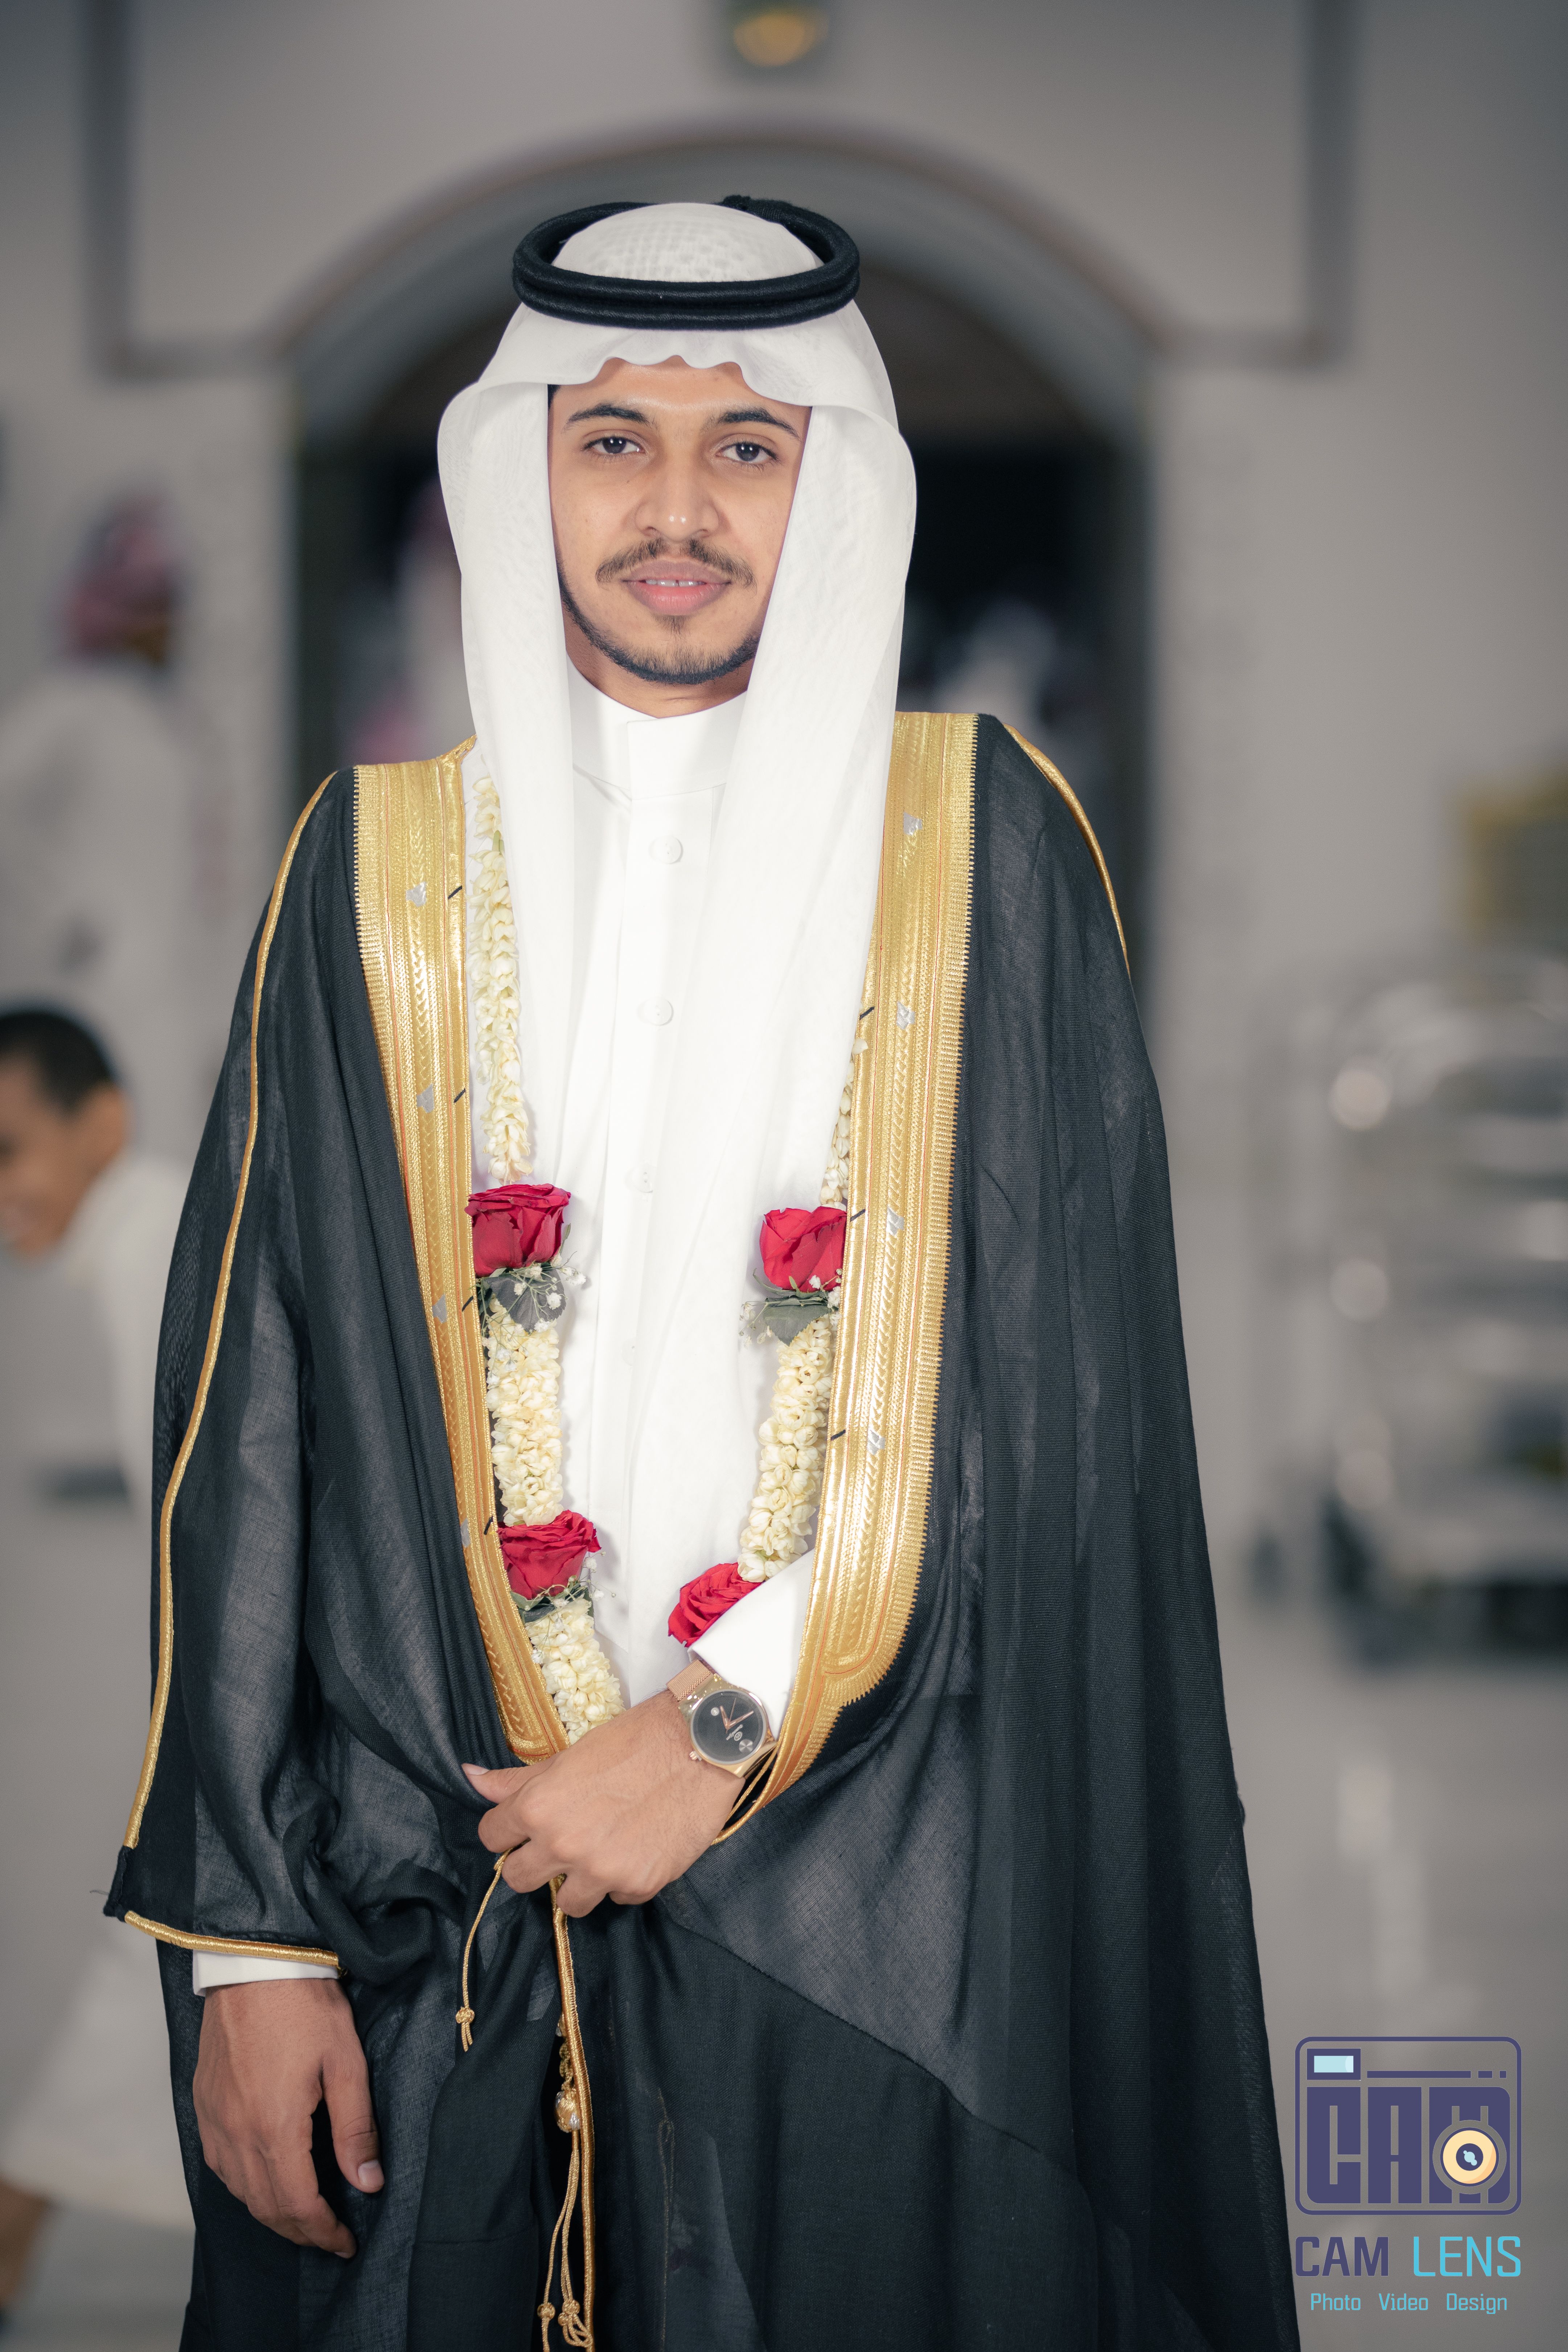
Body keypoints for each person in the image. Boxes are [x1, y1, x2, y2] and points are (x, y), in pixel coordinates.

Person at [107, 201, 1298, 2349]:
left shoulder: (986, 849)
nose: (676, 508)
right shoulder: (365, 873)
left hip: (879, 1876)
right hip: (429, 1891)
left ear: (832, 478)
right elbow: (249, 1428)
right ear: (521, 472)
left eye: (748, 445)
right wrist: (251, 1954)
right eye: (613, 441)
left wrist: (722, 1720)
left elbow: (1059, 1411)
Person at [0, 1009, 189, 2309]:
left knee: (160, 1963)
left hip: (244, 1719)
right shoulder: (146, 1234)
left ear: (101, 1122)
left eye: (10, 1148)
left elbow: (205, 1526)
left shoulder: (148, 1245)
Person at [0, 497, 223, 1161]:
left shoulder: (173, 719)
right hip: (93, 987)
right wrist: (63, 920)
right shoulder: (66, 707)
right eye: (150, 605)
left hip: (175, 987)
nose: (166, 625)